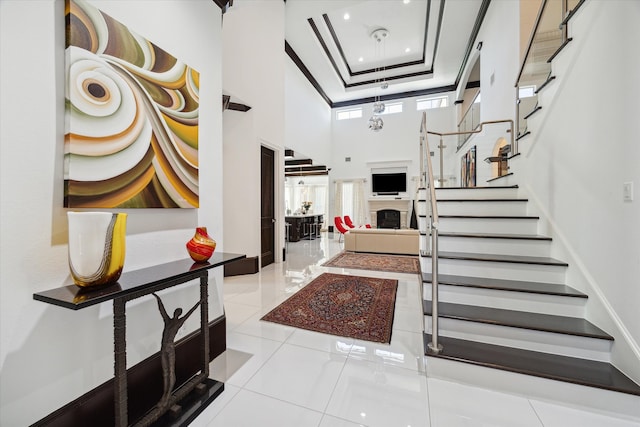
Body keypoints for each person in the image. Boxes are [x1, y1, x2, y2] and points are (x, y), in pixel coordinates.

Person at [152, 293, 201, 409]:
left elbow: (190, 312)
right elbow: (162, 309)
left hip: (170, 349)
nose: (176, 313)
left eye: (178, 312)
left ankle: (167, 395)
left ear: (179, 314)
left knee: (171, 372)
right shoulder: (167, 321)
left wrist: (199, 303)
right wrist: (157, 297)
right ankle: (164, 397)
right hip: (163, 348)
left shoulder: (179, 322)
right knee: (165, 372)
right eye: (176, 311)